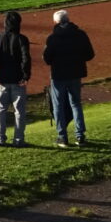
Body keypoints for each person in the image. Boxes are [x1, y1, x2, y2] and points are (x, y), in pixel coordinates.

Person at [43, 9, 94, 147]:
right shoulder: (80, 35)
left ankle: (62, 137)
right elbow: (90, 54)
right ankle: (80, 135)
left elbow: (47, 59)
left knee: (58, 106)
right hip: (75, 74)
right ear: (68, 19)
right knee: (76, 104)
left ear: (55, 22)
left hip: (59, 75)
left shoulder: (52, 38)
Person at [0, 11, 32, 146]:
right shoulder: (22, 39)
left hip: (2, 81)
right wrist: (25, 76)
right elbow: (26, 59)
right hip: (18, 81)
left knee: (0, 110)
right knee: (19, 112)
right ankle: (18, 140)